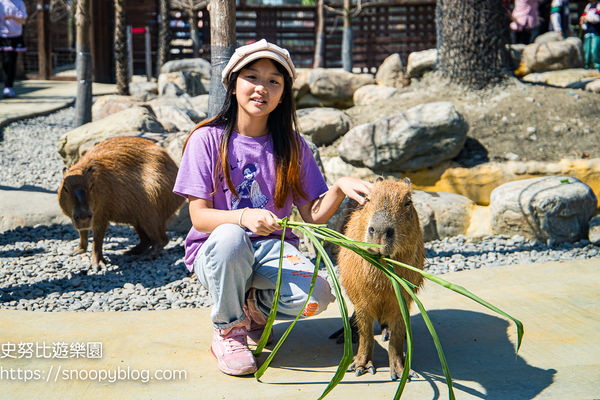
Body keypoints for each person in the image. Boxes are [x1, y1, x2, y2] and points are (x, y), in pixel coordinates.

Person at [173, 39, 373, 376]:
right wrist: (244, 217)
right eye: (252, 77)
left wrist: (339, 188)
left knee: (318, 296)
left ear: (283, 94)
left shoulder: (292, 145)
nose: (261, 88)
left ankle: (253, 310)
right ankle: (229, 330)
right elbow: (199, 217)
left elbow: (313, 215)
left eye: (273, 82)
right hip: (218, 251)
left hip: (271, 250)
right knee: (231, 238)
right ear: (232, 83)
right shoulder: (206, 139)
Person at [0, 0, 27, 98]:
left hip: (15, 35)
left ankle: (8, 87)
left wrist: (12, 17)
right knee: (6, 61)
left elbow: (23, 21)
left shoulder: (19, 3)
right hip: (2, 35)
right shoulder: (1, 3)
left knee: (10, 61)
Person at [581, 1, 600, 70]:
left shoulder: (598, 5)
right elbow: (583, 17)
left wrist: (587, 18)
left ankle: (597, 68)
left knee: (595, 51)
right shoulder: (588, 5)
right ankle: (587, 67)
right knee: (586, 51)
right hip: (588, 32)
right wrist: (583, 23)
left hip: (597, 32)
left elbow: (597, 18)